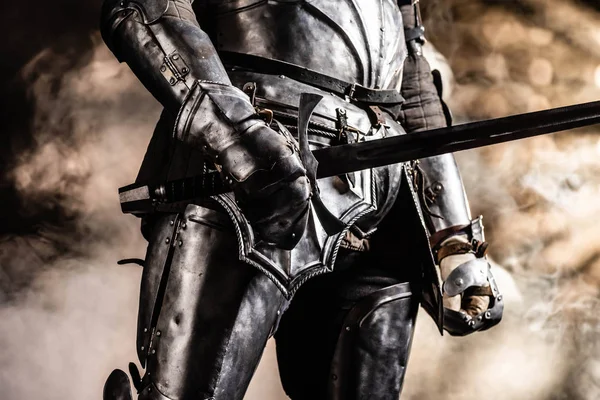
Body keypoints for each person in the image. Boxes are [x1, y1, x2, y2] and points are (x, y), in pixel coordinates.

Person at [101, 1, 502, 399]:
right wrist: (236, 135)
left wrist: (455, 238)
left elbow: (412, 88)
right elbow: (144, 7)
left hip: (384, 192)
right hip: (253, 171)